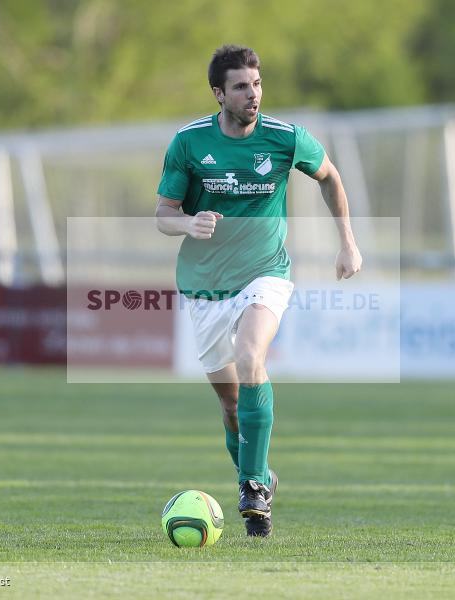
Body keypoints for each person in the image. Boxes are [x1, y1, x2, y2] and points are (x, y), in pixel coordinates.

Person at [155, 44, 361, 537]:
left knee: (251, 358)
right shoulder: (188, 143)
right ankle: (255, 473)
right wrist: (189, 222)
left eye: (257, 84)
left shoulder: (285, 138)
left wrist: (348, 243)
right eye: (242, 87)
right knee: (229, 406)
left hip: (265, 273)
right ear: (219, 94)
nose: (253, 95)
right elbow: (163, 215)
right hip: (205, 286)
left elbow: (329, 177)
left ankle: (252, 488)